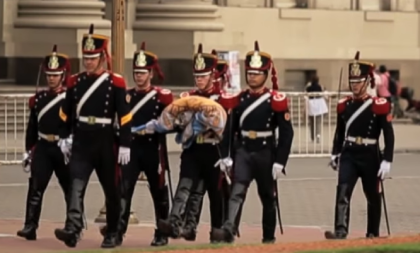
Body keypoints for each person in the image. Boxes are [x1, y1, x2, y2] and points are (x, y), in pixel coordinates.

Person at [54, 24, 131, 249]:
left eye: (92, 58)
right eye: (85, 57)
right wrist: (63, 136)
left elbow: (124, 117)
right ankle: (73, 227)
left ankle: (113, 232)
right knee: (76, 186)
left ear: (102, 57)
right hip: (82, 140)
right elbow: (65, 112)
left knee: (111, 189)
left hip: (105, 140)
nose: (88, 62)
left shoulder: (115, 82)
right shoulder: (75, 82)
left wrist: (125, 144)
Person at [211, 42, 294, 244]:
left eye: (257, 73)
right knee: (237, 192)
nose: (252, 77)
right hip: (244, 151)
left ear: (265, 75)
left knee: (267, 197)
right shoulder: (239, 100)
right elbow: (229, 131)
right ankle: (229, 228)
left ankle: (268, 238)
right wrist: (226, 155)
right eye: (250, 73)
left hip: (266, 153)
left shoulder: (274, 100)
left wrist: (280, 161)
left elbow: (286, 133)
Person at [324, 52, 395, 240]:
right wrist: (335, 153)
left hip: (370, 154)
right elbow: (340, 132)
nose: (354, 85)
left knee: (372, 195)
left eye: (358, 81)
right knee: (343, 191)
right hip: (349, 153)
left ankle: (373, 232)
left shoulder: (379, 105)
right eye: (352, 81)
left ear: (368, 81)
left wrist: (387, 160)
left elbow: (388, 134)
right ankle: (340, 230)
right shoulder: (344, 105)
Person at [173, 48, 240, 241]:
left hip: (215, 150)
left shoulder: (223, 99)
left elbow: (230, 128)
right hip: (195, 149)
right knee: (194, 191)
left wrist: (229, 155)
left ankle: (217, 230)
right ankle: (189, 226)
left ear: (213, 75)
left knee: (216, 194)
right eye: (197, 76)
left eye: (203, 76)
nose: (199, 79)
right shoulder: (190, 97)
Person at [116, 43, 174, 246]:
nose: (139, 76)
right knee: (124, 189)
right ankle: (118, 230)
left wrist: (159, 127)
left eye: (143, 72)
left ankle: (162, 231)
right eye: (136, 72)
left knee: (158, 191)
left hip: (152, 148)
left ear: (151, 73)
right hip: (131, 148)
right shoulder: (126, 95)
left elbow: (173, 122)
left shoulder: (161, 97)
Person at [16, 47, 74, 241]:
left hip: (62, 148)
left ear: (63, 75)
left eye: (55, 75)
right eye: (49, 75)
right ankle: (30, 225)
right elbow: (32, 126)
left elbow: (73, 123)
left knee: (70, 189)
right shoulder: (39, 99)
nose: (51, 78)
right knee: (35, 187)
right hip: (43, 147)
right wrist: (27, 150)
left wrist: (71, 142)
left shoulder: (69, 99)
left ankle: (72, 226)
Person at [305, 75, 327, 141]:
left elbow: (305, 94)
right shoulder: (320, 87)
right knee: (318, 121)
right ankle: (318, 135)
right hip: (319, 104)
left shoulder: (308, 87)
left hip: (311, 104)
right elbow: (324, 93)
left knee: (311, 121)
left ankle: (312, 136)